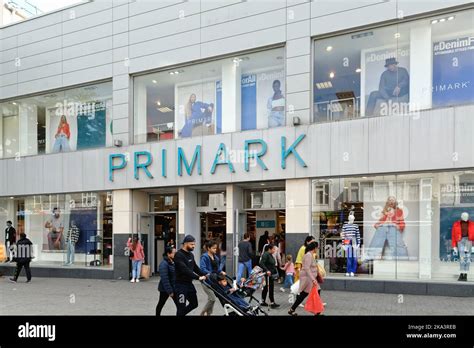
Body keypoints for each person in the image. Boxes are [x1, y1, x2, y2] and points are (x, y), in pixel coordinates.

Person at [174, 235, 207, 316]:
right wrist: (198, 277)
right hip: (180, 285)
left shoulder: (191, 255)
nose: (193, 246)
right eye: (192, 244)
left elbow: (195, 267)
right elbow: (184, 269)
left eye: (194, 244)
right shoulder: (178, 255)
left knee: (194, 304)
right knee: (181, 307)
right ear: (185, 244)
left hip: (189, 284)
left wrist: (204, 274)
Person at [288, 242, 321, 316]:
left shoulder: (310, 255)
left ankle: (292, 309)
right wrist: (313, 279)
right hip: (308, 278)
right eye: (317, 247)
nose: (317, 249)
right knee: (305, 294)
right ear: (314, 248)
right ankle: (317, 312)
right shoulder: (309, 255)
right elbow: (307, 268)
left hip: (310, 278)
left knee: (306, 294)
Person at [199, 239, 224, 316]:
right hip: (206, 281)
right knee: (212, 298)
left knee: (211, 298)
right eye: (213, 248)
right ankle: (203, 312)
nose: (215, 249)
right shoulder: (204, 257)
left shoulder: (216, 257)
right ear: (208, 248)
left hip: (213, 280)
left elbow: (217, 269)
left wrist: (221, 271)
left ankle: (209, 314)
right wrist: (208, 274)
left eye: (216, 248)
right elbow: (202, 268)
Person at [156, 246, 177, 316]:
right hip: (165, 289)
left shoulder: (173, 262)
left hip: (174, 287)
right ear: (168, 254)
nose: (175, 254)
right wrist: (170, 291)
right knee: (161, 304)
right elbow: (165, 279)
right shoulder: (163, 264)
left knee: (180, 306)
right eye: (174, 253)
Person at [259, 244, 280, 308]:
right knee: (268, 288)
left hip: (270, 274)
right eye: (273, 249)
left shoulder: (270, 254)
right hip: (267, 274)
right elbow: (261, 263)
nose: (274, 250)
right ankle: (271, 302)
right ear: (269, 249)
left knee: (269, 288)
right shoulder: (265, 254)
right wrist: (267, 270)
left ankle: (266, 301)